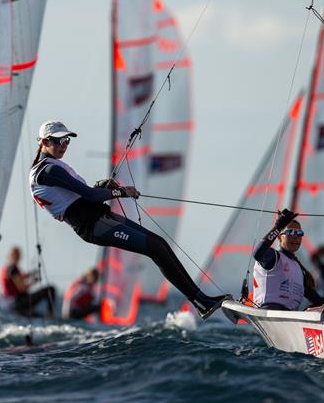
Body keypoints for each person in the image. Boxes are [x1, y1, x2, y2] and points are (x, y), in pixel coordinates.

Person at [28, 120, 229, 319]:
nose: (63, 145)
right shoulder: (47, 170)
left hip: (100, 217)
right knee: (154, 247)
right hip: (93, 225)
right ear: (44, 142)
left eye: (66, 141)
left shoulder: (52, 166)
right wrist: (120, 192)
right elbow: (89, 195)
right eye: (57, 141)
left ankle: (202, 299)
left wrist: (102, 188)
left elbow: (82, 194)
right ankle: (200, 302)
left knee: (159, 243)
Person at [251, 209, 324, 310]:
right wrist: (278, 227)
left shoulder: (299, 269)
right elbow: (258, 253)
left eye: (299, 233)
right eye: (290, 232)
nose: (295, 237)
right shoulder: (273, 257)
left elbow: (318, 301)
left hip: (290, 318)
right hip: (269, 312)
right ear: (279, 238)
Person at [0, 246, 56, 317]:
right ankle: (51, 314)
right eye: (17, 256)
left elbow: (21, 277)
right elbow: (22, 288)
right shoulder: (12, 269)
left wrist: (32, 273)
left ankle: (48, 316)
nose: (18, 258)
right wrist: (34, 281)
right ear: (13, 256)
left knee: (38, 316)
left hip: (16, 304)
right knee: (50, 290)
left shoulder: (8, 268)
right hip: (19, 303)